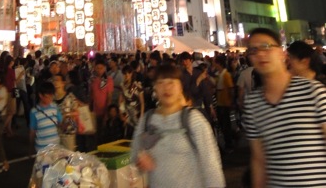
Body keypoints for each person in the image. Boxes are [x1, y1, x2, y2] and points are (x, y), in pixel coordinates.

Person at [243, 27, 326, 188]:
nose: (260, 54)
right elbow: (259, 160)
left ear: (282, 53)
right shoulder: (253, 103)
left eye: (266, 47)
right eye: (253, 50)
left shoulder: (313, 91)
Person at [130, 63, 225, 188]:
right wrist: (140, 162)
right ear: (154, 88)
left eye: (171, 82)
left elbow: (212, 167)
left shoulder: (194, 120)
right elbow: (134, 157)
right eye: (161, 83)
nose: (166, 88)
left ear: (180, 87)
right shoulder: (147, 120)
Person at [29, 80, 61, 154]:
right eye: (47, 96)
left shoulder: (55, 107)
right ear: (40, 95)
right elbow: (32, 131)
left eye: (52, 96)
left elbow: (60, 124)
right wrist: (30, 147)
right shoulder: (34, 112)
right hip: (41, 148)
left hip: (56, 146)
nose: (50, 99)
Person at [119, 64, 144, 138]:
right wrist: (121, 113)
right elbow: (120, 101)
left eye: (128, 73)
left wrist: (141, 115)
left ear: (132, 74)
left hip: (137, 112)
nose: (126, 75)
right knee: (127, 133)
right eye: (124, 74)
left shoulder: (137, 86)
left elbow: (142, 102)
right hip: (127, 112)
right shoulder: (122, 85)